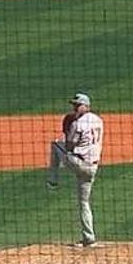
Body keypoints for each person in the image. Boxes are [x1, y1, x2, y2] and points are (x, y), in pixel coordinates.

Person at [47, 93, 104, 247]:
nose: (75, 108)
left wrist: (67, 131)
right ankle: (89, 237)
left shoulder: (77, 124)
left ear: (86, 106)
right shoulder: (98, 120)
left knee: (55, 145)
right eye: (74, 105)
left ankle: (52, 180)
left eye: (78, 105)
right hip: (92, 167)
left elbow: (70, 146)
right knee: (84, 202)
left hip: (78, 163)